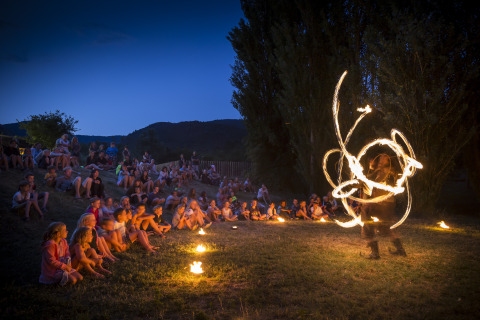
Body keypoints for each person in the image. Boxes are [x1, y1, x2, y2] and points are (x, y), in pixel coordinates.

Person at [360, 154, 407, 259]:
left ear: (387, 161)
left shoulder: (385, 172)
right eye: (379, 159)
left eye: (382, 159)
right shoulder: (383, 172)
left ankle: (374, 253)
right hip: (385, 204)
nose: (378, 160)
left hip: (380, 204)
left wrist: (368, 202)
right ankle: (400, 250)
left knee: (367, 227)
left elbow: (375, 188)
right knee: (385, 228)